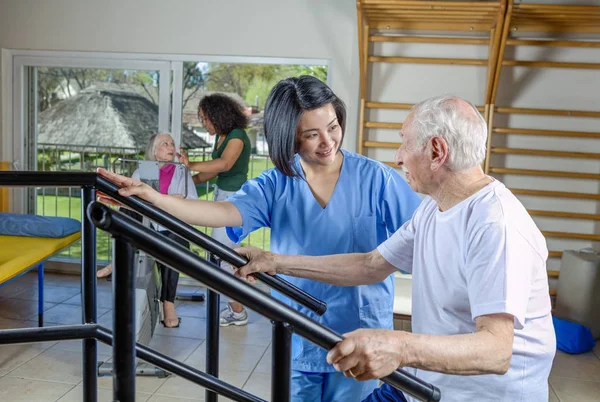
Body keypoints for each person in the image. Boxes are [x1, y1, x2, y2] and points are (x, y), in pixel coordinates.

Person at [97, 75, 422, 402]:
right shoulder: (276, 184)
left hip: (359, 332)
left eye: (333, 126)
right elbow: (223, 212)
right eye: (312, 134)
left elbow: (420, 241)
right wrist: (153, 198)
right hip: (300, 331)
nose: (328, 142)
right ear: (289, 137)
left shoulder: (377, 179)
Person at [233, 95, 557, 402]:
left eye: (405, 142)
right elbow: (371, 264)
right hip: (425, 384)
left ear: (436, 151)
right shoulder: (434, 208)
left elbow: (496, 350)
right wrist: (274, 261)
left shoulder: (495, 224)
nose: (398, 156)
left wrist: (399, 347)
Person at [98, 133, 198, 328]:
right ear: (154, 150)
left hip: (170, 228)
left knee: (174, 245)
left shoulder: (181, 172)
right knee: (128, 205)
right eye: (165, 144)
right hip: (146, 225)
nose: (171, 147)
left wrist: (167, 201)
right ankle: (116, 259)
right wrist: (169, 199)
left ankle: (167, 304)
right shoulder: (141, 172)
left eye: (172, 144)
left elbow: (191, 202)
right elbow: (132, 202)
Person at [178, 93, 252, 327]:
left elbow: (225, 164)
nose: (204, 124)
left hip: (236, 201)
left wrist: (191, 165)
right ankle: (236, 308)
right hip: (224, 198)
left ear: (220, 116)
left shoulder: (237, 136)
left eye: (206, 119)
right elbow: (214, 172)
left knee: (225, 257)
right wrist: (187, 179)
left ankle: (238, 311)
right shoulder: (221, 137)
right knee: (225, 257)